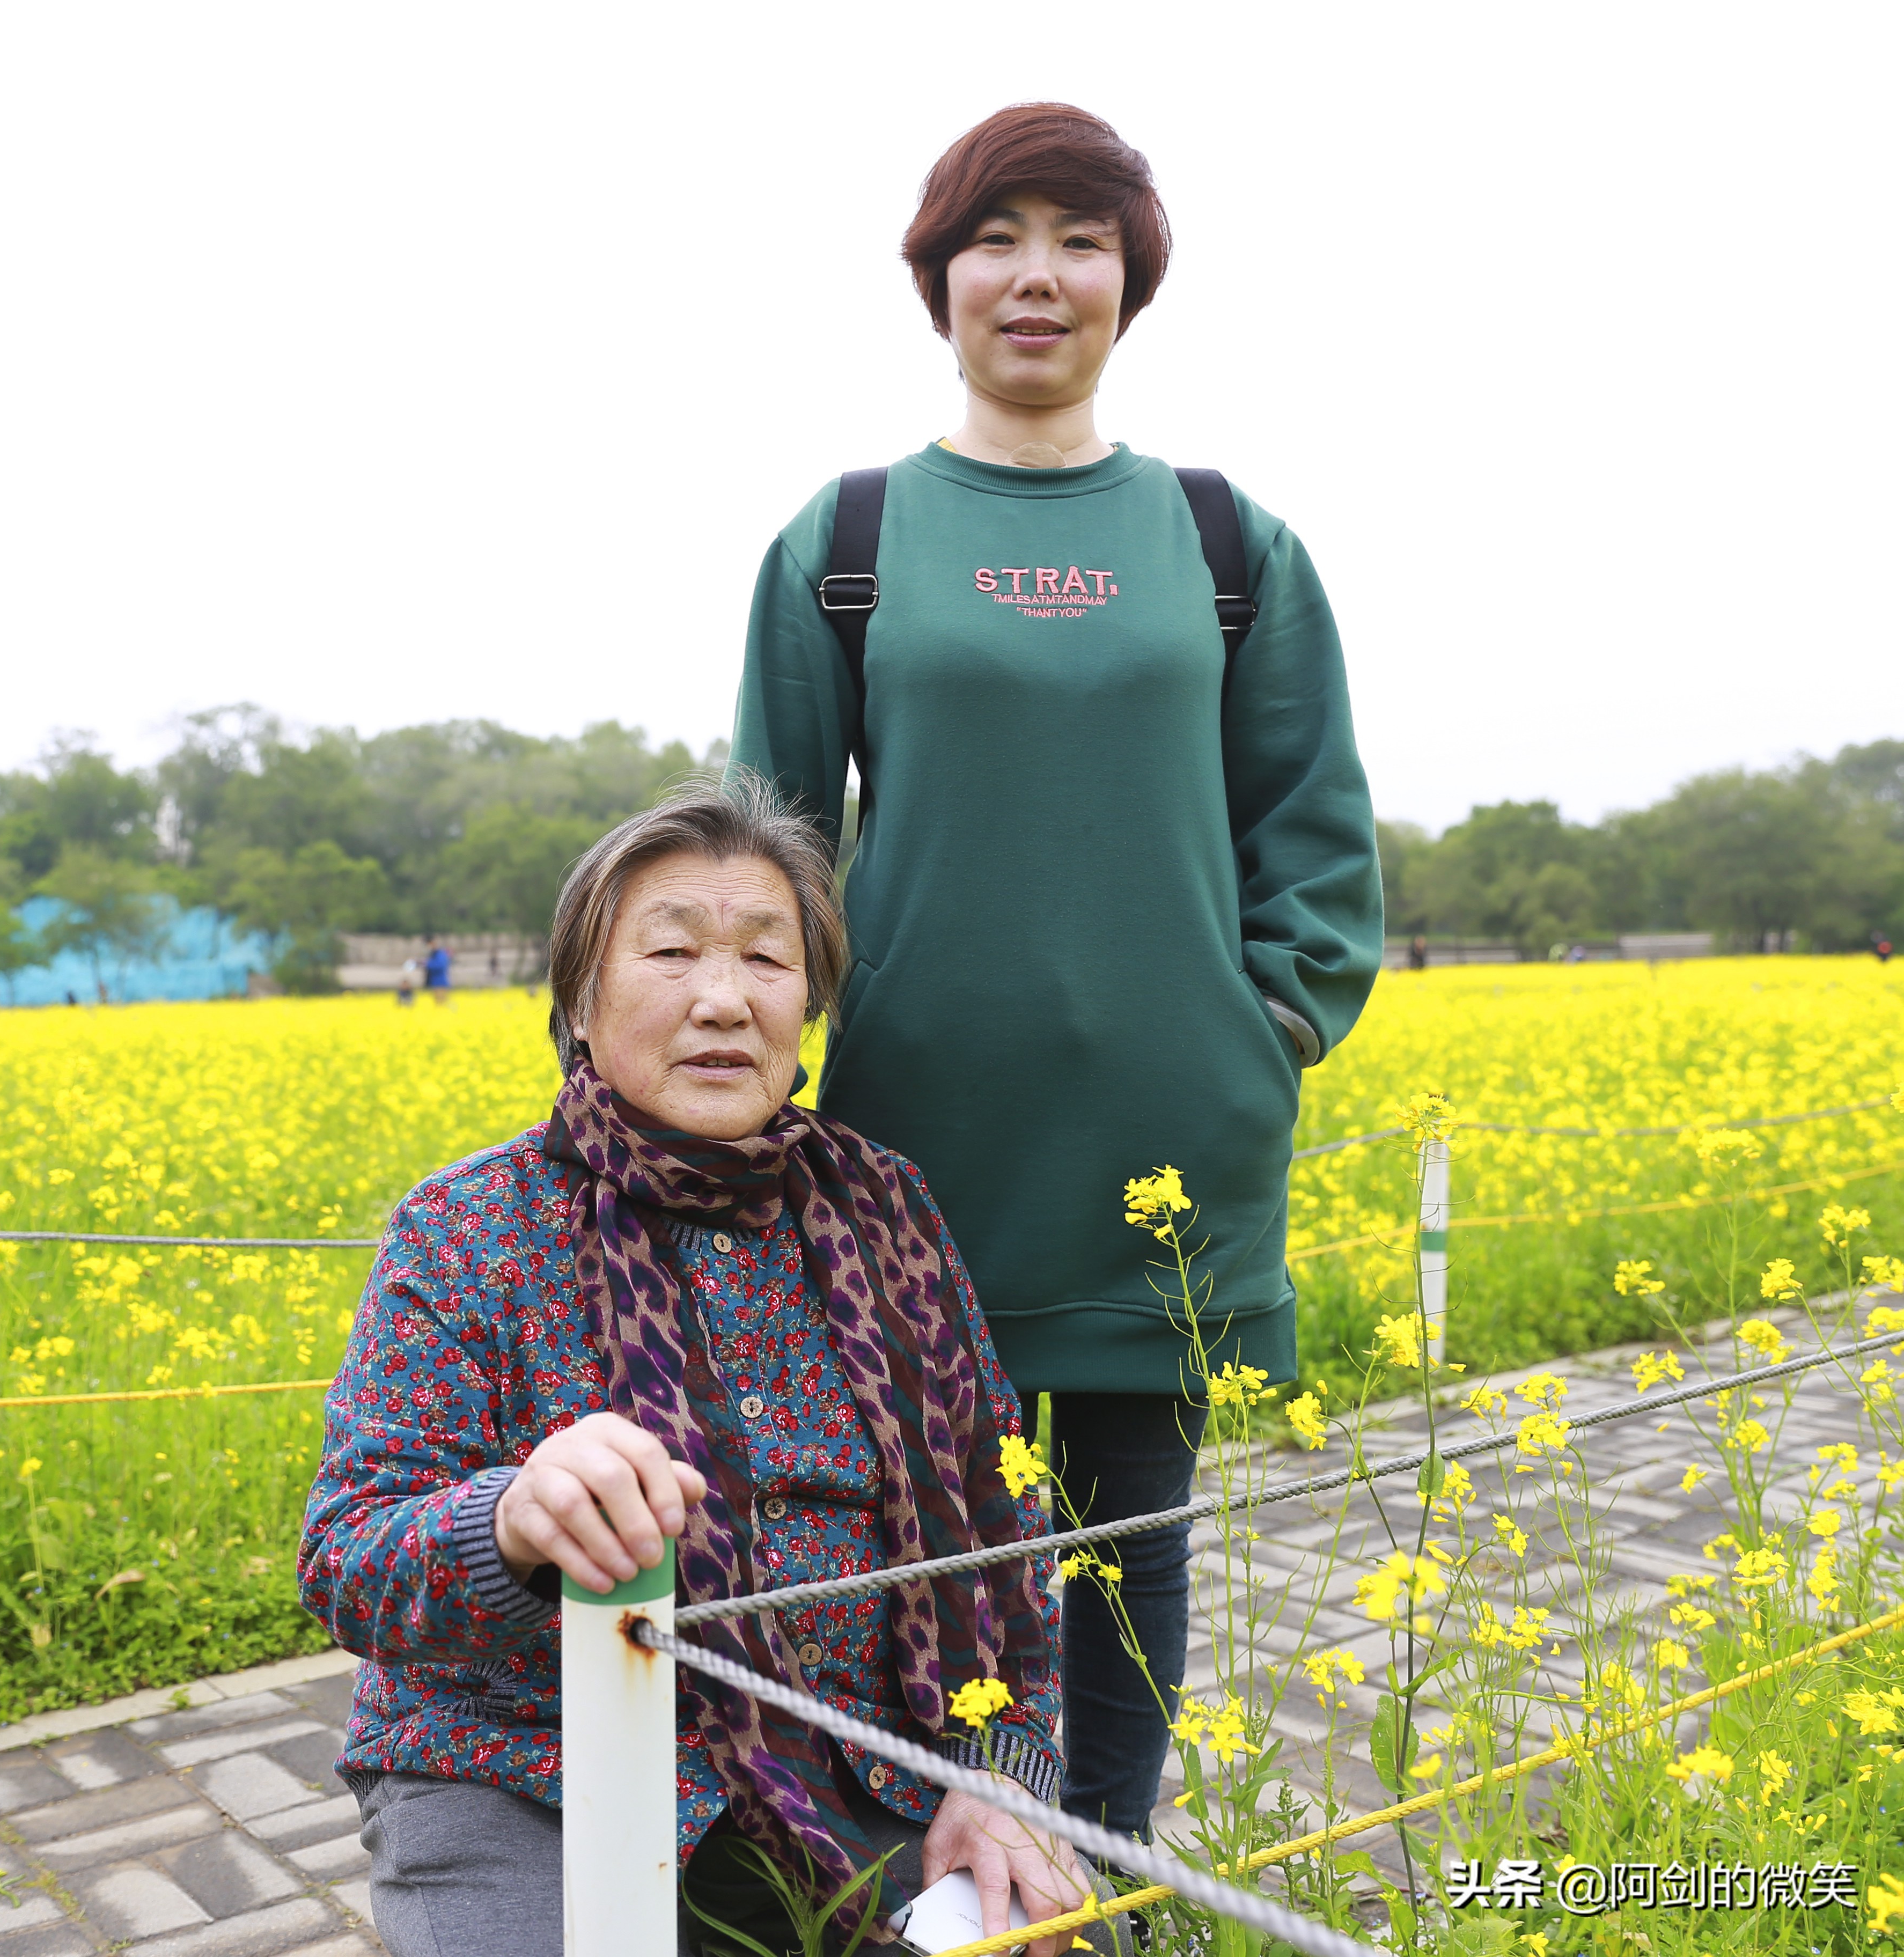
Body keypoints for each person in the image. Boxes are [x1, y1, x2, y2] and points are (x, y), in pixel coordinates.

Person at [730, 103, 1384, 1841]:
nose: (1036, 274)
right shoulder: (848, 538)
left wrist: (1270, 1024)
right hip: (910, 1154)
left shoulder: (1227, 543)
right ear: (939, 277)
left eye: (1079, 238)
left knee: (1126, 1548)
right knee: (917, 1546)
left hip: (1165, 1154)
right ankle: (938, 1859)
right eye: (995, 236)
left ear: (1129, 281)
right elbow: (767, 856)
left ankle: (1108, 1867)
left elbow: (1313, 832)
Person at [300, 785, 1119, 1957]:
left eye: (767, 961)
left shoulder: (888, 1208)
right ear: (581, 1001)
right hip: (528, 1773)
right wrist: (512, 1520)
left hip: (847, 1772)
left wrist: (1003, 1775)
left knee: (1079, 1942)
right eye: (673, 952)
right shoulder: (469, 1226)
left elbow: (1005, 1527)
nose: (724, 999)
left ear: (809, 1003)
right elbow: (346, 1563)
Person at [423, 936, 452, 1004]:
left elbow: (441, 966)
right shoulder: (433, 954)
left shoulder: (440, 954)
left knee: (442, 1002)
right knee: (437, 1002)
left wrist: (428, 964)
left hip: (440, 982)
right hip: (435, 981)